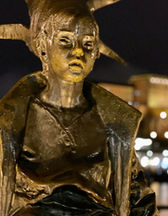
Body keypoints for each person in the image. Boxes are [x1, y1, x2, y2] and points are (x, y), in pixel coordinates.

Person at [0, 0, 158, 215]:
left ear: (95, 55)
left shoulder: (116, 126)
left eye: (88, 44)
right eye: (66, 40)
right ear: (43, 47)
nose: (78, 52)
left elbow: (140, 201)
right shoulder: (10, 122)